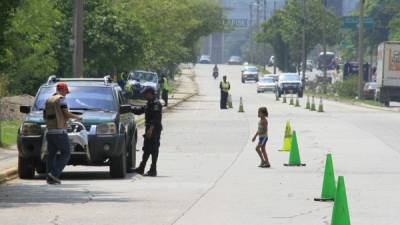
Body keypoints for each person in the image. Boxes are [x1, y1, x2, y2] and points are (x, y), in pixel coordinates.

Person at [43, 82, 81, 184]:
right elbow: (66, 113)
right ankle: (54, 174)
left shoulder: (48, 100)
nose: (66, 94)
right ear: (63, 90)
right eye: (66, 91)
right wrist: (78, 117)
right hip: (59, 132)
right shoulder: (61, 99)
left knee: (51, 155)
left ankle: (49, 178)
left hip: (50, 131)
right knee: (66, 153)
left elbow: (45, 116)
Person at [130, 87, 163, 177]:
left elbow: (156, 119)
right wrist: (130, 108)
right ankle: (141, 168)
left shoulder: (156, 104)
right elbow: (140, 110)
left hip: (154, 130)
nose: (144, 95)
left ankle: (153, 169)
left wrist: (151, 130)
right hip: (149, 129)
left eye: (145, 93)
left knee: (154, 149)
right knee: (147, 149)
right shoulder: (149, 103)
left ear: (150, 93)